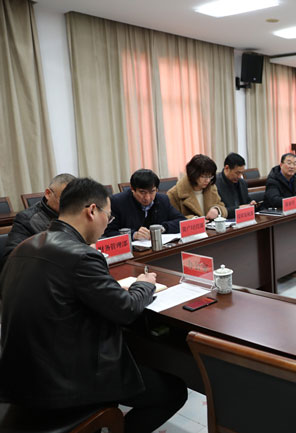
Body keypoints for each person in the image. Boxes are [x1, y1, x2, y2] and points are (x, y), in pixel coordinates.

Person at [0, 178, 187, 433]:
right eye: (108, 217)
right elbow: (126, 310)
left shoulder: (23, 248)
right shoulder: (81, 255)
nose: (107, 224)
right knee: (173, 391)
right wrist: (144, 285)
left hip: (22, 376)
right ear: (91, 211)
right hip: (64, 382)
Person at [0, 173, 75, 272]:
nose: (71, 206)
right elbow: (11, 260)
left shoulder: (78, 213)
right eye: (65, 200)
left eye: (75, 201)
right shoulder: (26, 219)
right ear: (48, 194)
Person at [104, 169, 185, 239]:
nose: (147, 197)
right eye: (142, 192)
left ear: (157, 190)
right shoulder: (117, 202)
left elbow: (181, 221)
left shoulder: (162, 200)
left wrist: (163, 228)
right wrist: (133, 235)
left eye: (152, 191)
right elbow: (108, 231)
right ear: (132, 189)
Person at [167, 154, 228, 219]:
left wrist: (217, 210)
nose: (208, 180)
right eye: (204, 176)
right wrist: (193, 220)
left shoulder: (211, 188)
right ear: (193, 174)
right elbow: (174, 219)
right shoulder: (174, 194)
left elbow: (222, 206)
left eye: (210, 176)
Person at [214, 152, 256, 217]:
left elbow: (246, 201)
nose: (239, 176)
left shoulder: (242, 183)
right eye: (237, 173)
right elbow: (218, 211)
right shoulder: (215, 184)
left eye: (241, 173)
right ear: (227, 168)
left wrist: (251, 203)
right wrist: (238, 208)